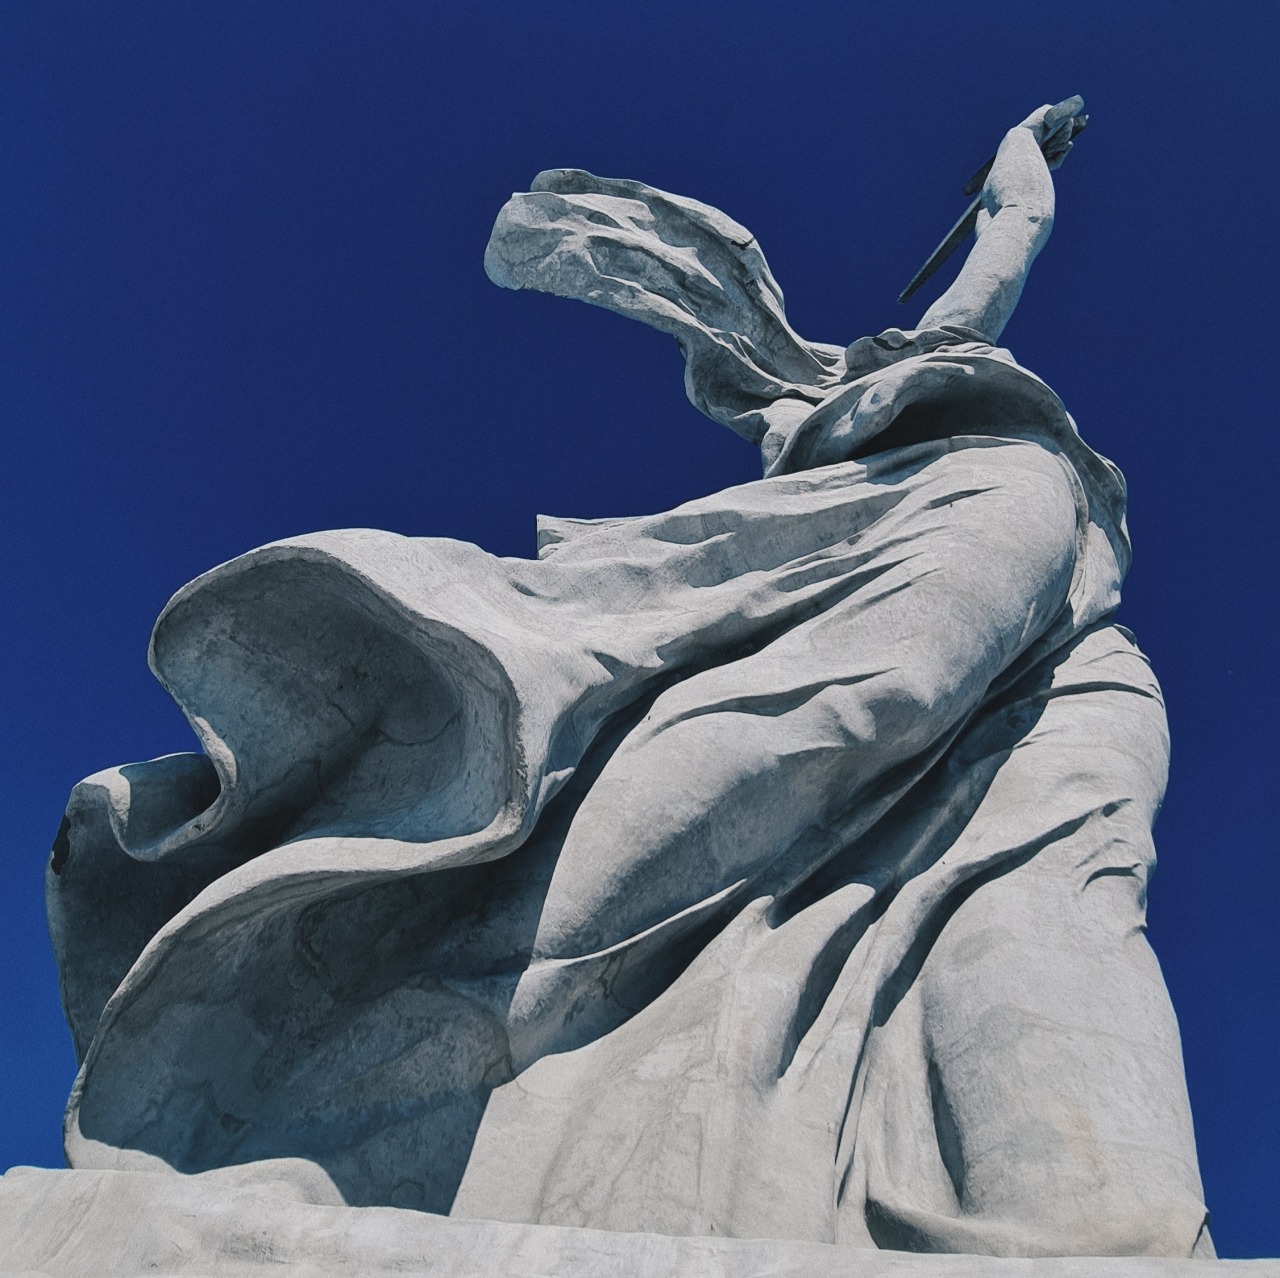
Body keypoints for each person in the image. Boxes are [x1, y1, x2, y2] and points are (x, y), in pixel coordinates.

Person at [46, 100, 1214, 1256]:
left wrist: (1017, 175)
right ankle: (388, 1061)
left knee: (1061, 879)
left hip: (1073, 624)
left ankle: (1098, 1228)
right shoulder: (869, 432)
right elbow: (993, 258)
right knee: (855, 703)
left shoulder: (940, 391)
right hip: (965, 512)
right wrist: (1010, 196)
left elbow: (997, 252)